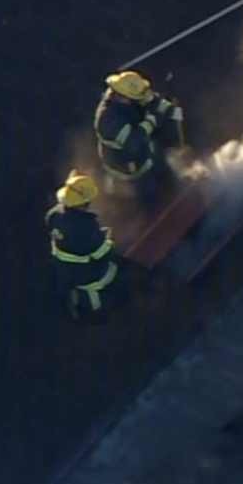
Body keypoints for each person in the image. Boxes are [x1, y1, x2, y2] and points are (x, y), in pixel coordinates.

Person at [46, 170, 127, 321]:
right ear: (83, 202)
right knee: (110, 276)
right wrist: (109, 238)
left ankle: (70, 298)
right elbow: (101, 253)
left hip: (62, 268)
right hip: (86, 274)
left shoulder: (53, 214)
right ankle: (93, 314)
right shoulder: (86, 225)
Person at [95, 71, 183, 206]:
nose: (140, 99)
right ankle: (152, 210)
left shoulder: (134, 96)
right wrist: (150, 122)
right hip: (129, 166)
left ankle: (176, 189)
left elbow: (152, 100)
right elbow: (133, 141)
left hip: (147, 151)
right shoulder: (108, 119)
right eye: (135, 98)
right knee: (148, 192)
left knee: (166, 172)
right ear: (120, 96)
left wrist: (172, 111)